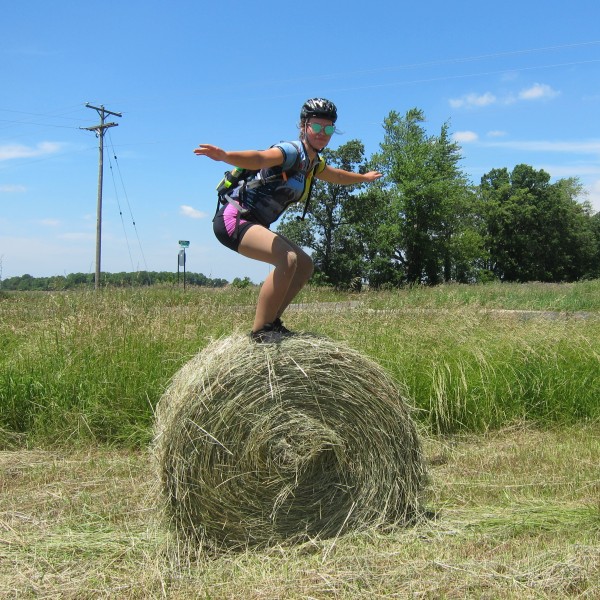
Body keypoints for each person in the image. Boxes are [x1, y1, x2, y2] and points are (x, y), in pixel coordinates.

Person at [194, 98, 382, 343]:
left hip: (255, 223)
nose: (323, 134)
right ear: (304, 125)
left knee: (304, 264)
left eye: (329, 129)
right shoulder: (291, 152)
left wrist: (363, 178)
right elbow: (260, 158)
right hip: (234, 218)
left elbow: (336, 176)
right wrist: (226, 156)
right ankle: (260, 332)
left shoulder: (313, 163)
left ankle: (272, 322)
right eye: (317, 127)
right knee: (287, 258)